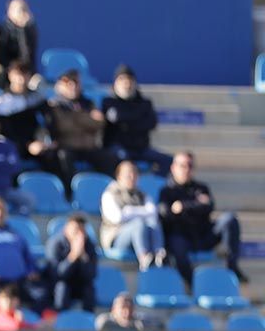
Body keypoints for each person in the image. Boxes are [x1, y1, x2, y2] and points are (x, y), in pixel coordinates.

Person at [157, 151, 245, 284]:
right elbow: (166, 214)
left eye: (190, 165)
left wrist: (183, 207)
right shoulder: (166, 191)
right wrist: (197, 204)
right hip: (181, 238)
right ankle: (193, 283)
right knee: (176, 242)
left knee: (229, 219)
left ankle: (232, 267)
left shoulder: (201, 187)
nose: (186, 169)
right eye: (182, 165)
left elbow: (209, 206)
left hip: (203, 236)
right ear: (173, 167)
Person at [44, 70, 118, 193]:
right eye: (68, 83)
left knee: (110, 159)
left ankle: (110, 193)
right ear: (59, 86)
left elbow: (100, 124)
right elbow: (65, 126)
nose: (73, 87)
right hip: (68, 147)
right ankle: (72, 193)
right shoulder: (54, 104)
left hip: (89, 147)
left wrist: (75, 117)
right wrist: (87, 118)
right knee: (63, 158)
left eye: (76, 83)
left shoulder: (88, 102)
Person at [101, 65, 172, 173]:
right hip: (118, 147)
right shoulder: (108, 102)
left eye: (130, 80)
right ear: (115, 84)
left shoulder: (145, 103)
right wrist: (137, 118)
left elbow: (152, 123)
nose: (127, 84)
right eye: (122, 80)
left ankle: (152, 185)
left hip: (141, 148)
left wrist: (125, 121)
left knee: (169, 161)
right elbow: (113, 120)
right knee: (124, 161)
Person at [101, 160, 166, 271]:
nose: (132, 177)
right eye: (128, 174)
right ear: (119, 176)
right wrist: (142, 212)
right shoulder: (109, 194)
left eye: (134, 173)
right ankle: (144, 258)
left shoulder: (141, 194)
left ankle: (159, 255)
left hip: (142, 235)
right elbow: (117, 217)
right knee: (138, 223)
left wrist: (130, 211)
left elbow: (153, 212)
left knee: (153, 222)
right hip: (117, 238)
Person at [0, 60, 48, 162]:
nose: (21, 79)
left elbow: (46, 121)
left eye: (25, 74)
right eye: (17, 75)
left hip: (36, 144)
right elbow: (5, 130)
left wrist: (40, 140)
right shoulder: (0, 102)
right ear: (10, 76)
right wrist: (27, 145)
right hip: (15, 145)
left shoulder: (38, 99)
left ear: (30, 76)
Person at [46, 214, 98, 312]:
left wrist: (83, 257)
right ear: (66, 229)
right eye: (76, 230)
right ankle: (60, 320)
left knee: (89, 289)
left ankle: (88, 321)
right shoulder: (55, 244)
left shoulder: (89, 245)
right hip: (60, 283)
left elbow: (92, 274)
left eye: (82, 230)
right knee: (62, 288)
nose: (79, 234)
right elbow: (57, 274)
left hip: (80, 283)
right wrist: (73, 256)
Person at [0, 0, 38, 84]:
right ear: (9, 12)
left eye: (24, 9)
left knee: (38, 82)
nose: (22, 12)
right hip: (5, 67)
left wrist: (22, 29)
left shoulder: (31, 29)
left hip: (25, 69)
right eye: (19, 9)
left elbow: (28, 56)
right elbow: (0, 53)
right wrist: (13, 69)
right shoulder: (1, 28)